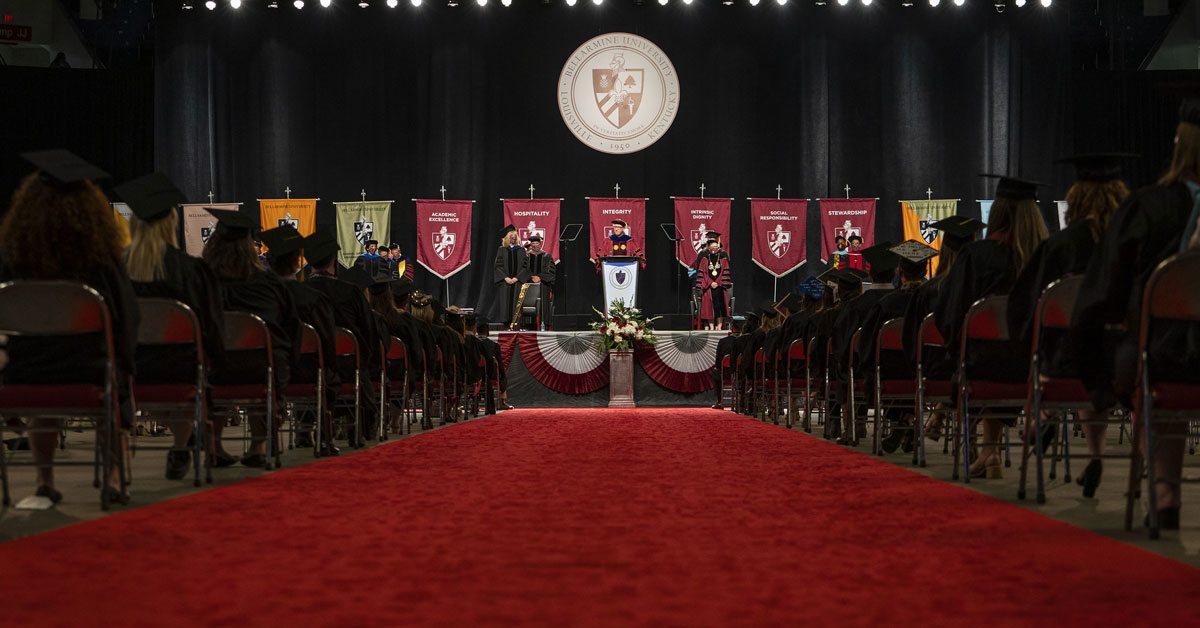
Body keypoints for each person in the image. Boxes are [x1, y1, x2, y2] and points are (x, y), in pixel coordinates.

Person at [1072, 99, 1200, 529]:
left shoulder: (1149, 208)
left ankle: (1165, 492)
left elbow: (1105, 294)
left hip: (1163, 361)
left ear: (1179, 144)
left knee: (1152, 356)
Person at [0, 150, 137, 504]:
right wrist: (125, 362)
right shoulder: (102, 259)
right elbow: (125, 314)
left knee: (45, 385)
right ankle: (116, 477)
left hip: (27, 370)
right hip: (89, 367)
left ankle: (44, 480)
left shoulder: (15, 258)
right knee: (116, 379)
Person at [1005, 154, 1132, 497]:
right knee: (1103, 350)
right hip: (1125, 362)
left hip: (1067, 362)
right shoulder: (1131, 244)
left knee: (1060, 343)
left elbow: (1029, 308)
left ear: (1076, 197)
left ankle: (1042, 417)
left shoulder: (1061, 245)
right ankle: (1096, 456)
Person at [934, 174, 1048, 478]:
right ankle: (993, 449)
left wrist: (956, 350)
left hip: (981, 365)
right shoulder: (1047, 258)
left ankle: (989, 451)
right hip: (1035, 369)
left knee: (984, 349)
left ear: (997, 212)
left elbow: (951, 314)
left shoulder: (976, 256)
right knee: (1011, 350)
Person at [115, 172, 227, 479]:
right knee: (189, 359)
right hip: (180, 372)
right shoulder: (191, 270)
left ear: (133, 222)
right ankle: (180, 445)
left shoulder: (114, 269)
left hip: (127, 371)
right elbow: (211, 327)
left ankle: (117, 464)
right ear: (171, 223)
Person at [203, 211, 303, 467]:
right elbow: (292, 328)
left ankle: (213, 443)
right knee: (271, 357)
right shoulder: (270, 283)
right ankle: (259, 444)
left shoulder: (204, 282)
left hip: (215, 367)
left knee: (212, 358)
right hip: (262, 368)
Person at [900, 216, 983, 441]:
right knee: (971, 362)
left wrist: (918, 365)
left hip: (934, 369)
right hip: (976, 367)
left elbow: (910, 340)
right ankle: (969, 432)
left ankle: (938, 411)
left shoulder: (929, 292)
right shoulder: (981, 293)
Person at [261, 224, 340, 456]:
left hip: (266, 372)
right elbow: (326, 342)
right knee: (324, 371)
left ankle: (291, 431)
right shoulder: (312, 298)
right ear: (298, 261)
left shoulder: (260, 295)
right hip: (307, 373)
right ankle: (323, 433)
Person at [856, 241, 939, 453]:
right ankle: (908, 421)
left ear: (899, 271)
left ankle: (904, 420)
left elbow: (867, 345)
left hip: (890, 375)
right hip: (927, 374)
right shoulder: (934, 303)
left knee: (883, 367)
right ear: (926, 270)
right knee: (916, 366)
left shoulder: (886, 304)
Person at [306, 233, 387, 441]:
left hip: (306, 368)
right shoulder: (350, 292)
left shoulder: (299, 292)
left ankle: (304, 427)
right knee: (356, 361)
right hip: (347, 367)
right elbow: (369, 335)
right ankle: (355, 424)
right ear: (334, 260)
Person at [494, 225, 530, 329]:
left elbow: (525, 267)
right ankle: (505, 325)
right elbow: (497, 266)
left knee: (516, 304)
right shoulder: (502, 250)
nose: (513, 238)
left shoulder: (521, 250)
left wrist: (516, 278)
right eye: (511, 236)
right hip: (505, 282)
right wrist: (506, 278)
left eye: (514, 236)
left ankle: (516, 324)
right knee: (505, 304)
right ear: (507, 237)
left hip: (517, 282)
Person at [694, 234, 732, 330]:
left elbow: (724, 272)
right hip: (708, 287)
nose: (714, 248)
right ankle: (711, 326)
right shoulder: (704, 259)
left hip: (720, 287)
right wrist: (711, 282)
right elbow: (703, 273)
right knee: (709, 308)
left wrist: (718, 283)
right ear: (709, 248)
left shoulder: (723, 259)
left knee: (720, 307)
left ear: (718, 247)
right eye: (712, 247)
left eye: (716, 246)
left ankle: (719, 327)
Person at [710, 316, 744, 409]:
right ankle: (742, 398)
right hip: (742, 373)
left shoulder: (723, 341)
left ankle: (720, 401)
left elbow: (718, 361)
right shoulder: (746, 341)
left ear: (732, 326)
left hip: (726, 373)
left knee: (714, 372)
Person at [524, 234, 557, 329]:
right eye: (533, 243)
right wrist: (531, 277)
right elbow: (523, 270)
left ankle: (543, 325)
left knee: (543, 305)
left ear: (540, 244)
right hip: (528, 285)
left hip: (543, 285)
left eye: (537, 243)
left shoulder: (547, 256)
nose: (535, 245)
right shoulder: (526, 256)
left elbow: (551, 271)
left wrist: (540, 277)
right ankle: (526, 326)